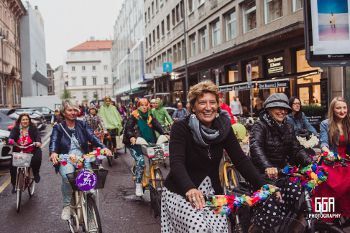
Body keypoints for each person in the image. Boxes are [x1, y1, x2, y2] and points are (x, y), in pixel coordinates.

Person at [161, 81, 267, 232]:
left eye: (212, 102)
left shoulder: (224, 127)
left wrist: (263, 185)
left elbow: (241, 160)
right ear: (193, 106)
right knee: (199, 229)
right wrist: (190, 188)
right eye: (202, 103)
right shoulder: (180, 127)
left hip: (212, 193)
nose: (208, 107)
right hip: (181, 191)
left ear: (218, 105)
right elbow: (177, 162)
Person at [249, 93, 312, 232]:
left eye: (285, 109)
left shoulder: (288, 126)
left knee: (300, 197)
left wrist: (310, 162)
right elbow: (255, 148)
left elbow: (295, 149)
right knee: (271, 208)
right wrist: (268, 167)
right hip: (262, 175)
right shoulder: (260, 126)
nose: (282, 111)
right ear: (269, 109)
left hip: (282, 173)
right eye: (278, 107)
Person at [49, 101, 111, 221]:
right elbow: (54, 141)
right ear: (63, 112)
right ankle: (67, 205)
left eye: (75, 110)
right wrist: (53, 152)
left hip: (83, 156)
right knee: (68, 178)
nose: (73, 113)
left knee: (90, 179)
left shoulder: (82, 124)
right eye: (70, 110)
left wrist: (103, 147)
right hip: (65, 157)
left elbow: (92, 137)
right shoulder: (58, 127)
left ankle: (88, 202)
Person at [315, 96, 350, 219]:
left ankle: (346, 215)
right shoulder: (326, 124)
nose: (342, 111)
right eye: (338, 108)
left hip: (347, 162)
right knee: (328, 187)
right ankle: (326, 219)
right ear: (333, 110)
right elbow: (323, 143)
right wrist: (327, 152)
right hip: (332, 162)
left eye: (344, 108)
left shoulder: (348, 122)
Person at [123, 98, 165, 196]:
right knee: (141, 161)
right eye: (142, 105)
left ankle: (153, 176)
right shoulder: (133, 116)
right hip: (135, 142)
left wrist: (165, 133)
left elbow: (158, 125)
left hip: (149, 142)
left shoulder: (150, 116)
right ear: (138, 106)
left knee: (156, 157)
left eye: (146, 105)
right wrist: (132, 137)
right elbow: (128, 128)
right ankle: (138, 184)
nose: (145, 107)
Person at [9, 113, 42, 193]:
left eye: (27, 119)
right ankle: (14, 185)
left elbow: (37, 136)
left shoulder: (33, 128)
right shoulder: (16, 129)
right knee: (12, 167)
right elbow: (11, 136)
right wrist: (11, 140)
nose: (25, 121)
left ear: (29, 120)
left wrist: (38, 142)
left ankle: (35, 173)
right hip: (19, 150)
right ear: (20, 121)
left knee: (37, 158)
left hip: (31, 150)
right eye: (23, 119)